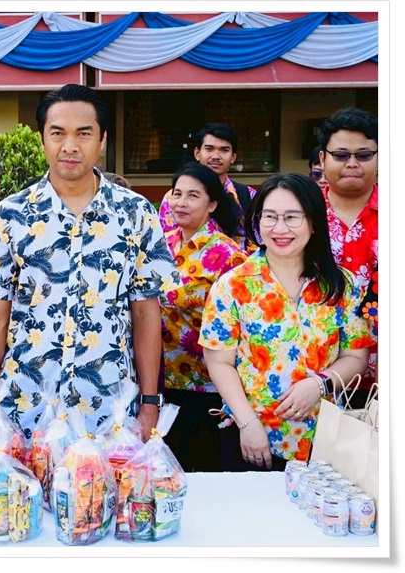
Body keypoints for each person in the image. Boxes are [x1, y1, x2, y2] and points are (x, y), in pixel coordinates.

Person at [0, 84, 181, 440]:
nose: (69, 146)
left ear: (102, 140)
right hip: (24, 406)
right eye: (57, 133)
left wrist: (149, 401)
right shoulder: (9, 216)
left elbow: (146, 313)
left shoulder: (136, 214)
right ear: (42, 140)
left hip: (109, 408)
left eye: (83, 133)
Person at [201, 173, 372, 471]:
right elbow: (219, 362)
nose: (280, 228)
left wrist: (319, 385)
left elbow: (356, 357)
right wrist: (248, 423)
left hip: (326, 439)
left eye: (292, 217)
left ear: (313, 222)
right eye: (270, 216)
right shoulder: (232, 285)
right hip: (253, 438)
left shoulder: (341, 285)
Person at [159, 162, 247, 472]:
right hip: (161, 379)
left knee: (201, 471)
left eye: (193, 196)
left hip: (205, 386)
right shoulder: (162, 243)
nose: (181, 202)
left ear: (212, 204)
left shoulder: (227, 254)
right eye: (177, 193)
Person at [318, 107, 378, 407]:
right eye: (341, 155)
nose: (352, 163)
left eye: (364, 155)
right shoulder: (299, 216)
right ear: (322, 159)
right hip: (314, 379)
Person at [158, 123, 256, 250]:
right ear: (197, 153)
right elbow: (166, 247)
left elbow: (259, 246)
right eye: (209, 149)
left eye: (224, 150)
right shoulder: (172, 199)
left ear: (233, 157)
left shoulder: (248, 196)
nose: (216, 156)